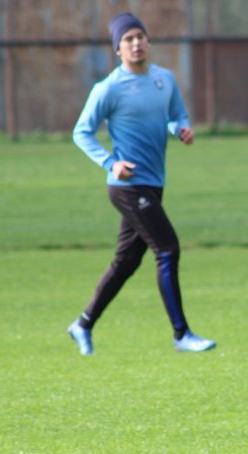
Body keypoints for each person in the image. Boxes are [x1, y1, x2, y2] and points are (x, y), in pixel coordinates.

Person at [67, 12, 216, 356]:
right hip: (127, 187)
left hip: (154, 184)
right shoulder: (108, 88)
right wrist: (110, 162)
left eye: (139, 37)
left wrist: (180, 129)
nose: (135, 44)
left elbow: (176, 115)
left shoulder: (164, 80)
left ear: (148, 41)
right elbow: (81, 132)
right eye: (127, 40)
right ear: (117, 49)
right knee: (167, 249)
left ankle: (83, 324)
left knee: (127, 262)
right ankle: (182, 335)